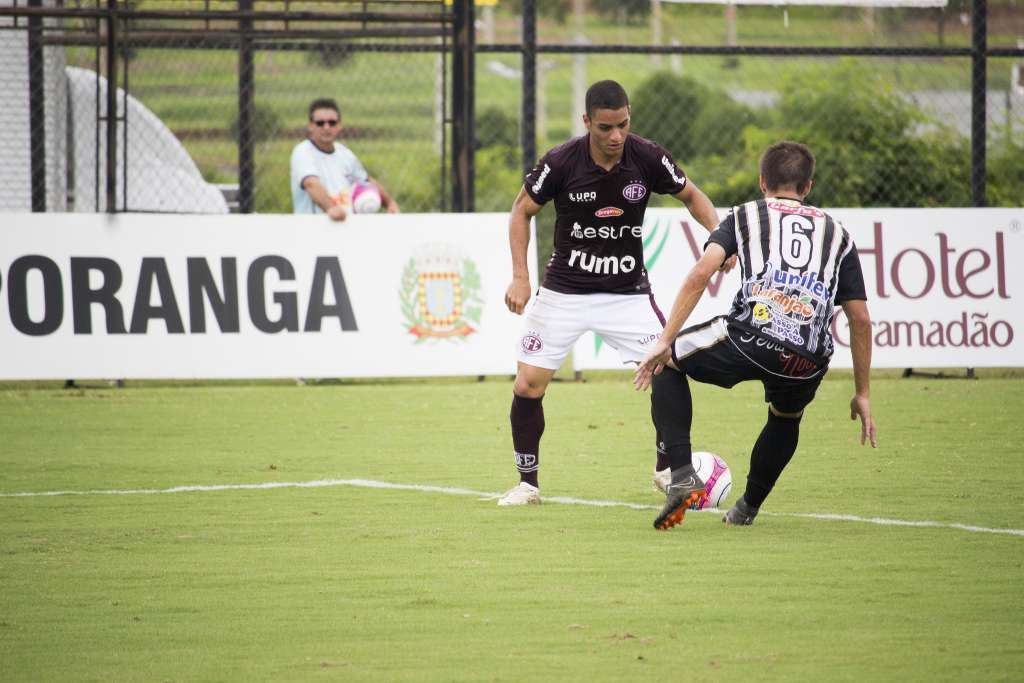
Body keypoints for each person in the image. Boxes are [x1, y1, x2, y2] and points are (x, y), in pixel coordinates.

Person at [498, 79, 736, 506]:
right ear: (587, 121)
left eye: (623, 125)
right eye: (605, 127)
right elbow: (521, 211)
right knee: (528, 384)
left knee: (668, 363)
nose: (616, 136)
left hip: (627, 292)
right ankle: (527, 484)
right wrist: (520, 276)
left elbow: (691, 194)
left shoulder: (647, 156)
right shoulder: (560, 162)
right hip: (564, 291)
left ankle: (668, 471)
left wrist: (720, 239)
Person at [633, 140, 878, 530]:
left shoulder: (745, 214)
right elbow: (860, 319)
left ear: (762, 182)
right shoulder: (838, 234)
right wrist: (862, 392)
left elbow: (701, 274)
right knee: (786, 417)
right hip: (808, 356)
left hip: (750, 336)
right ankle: (746, 508)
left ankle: (680, 478)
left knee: (666, 363)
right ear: (808, 186)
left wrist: (665, 340)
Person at [290, 97, 399, 220]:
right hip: (313, 227)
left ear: (339, 125)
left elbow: (365, 180)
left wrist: (390, 203)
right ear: (310, 126)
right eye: (320, 123)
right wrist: (331, 208)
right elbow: (311, 183)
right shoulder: (303, 151)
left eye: (332, 123)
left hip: (345, 225)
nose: (326, 127)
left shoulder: (345, 154)